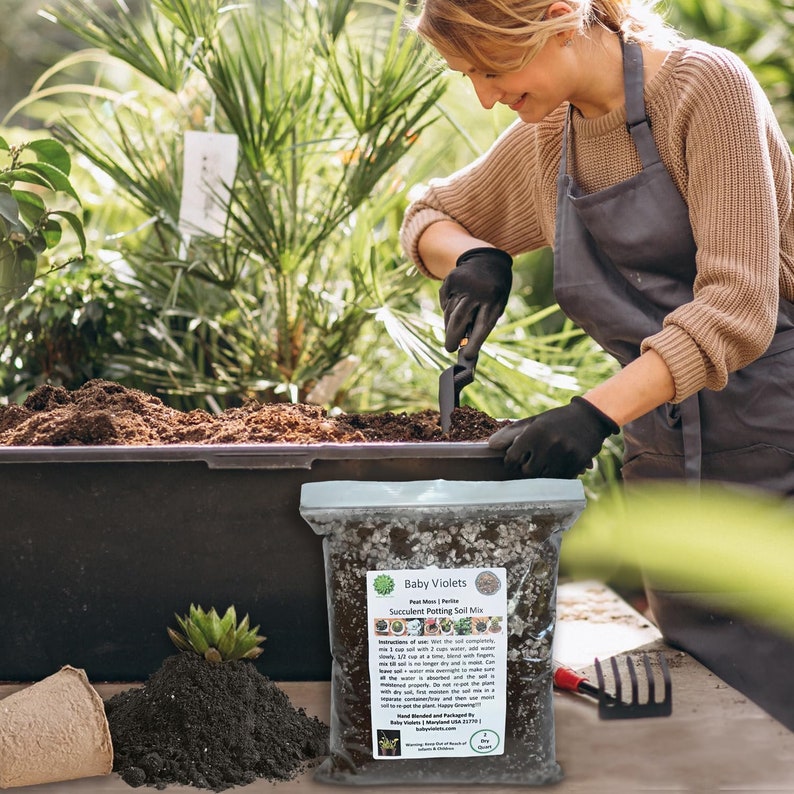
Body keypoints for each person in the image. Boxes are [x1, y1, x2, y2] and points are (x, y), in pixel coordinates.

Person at [400, 0, 794, 729]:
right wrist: (473, 256)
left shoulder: (705, 88)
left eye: (494, 66)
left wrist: (593, 413)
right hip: (667, 466)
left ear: (555, 18)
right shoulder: (556, 137)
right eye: (469, 75)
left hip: (777, 435)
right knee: (710, 711)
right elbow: (424, 215)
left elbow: (738, 309)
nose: (485, 96)